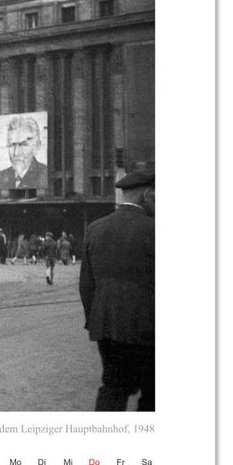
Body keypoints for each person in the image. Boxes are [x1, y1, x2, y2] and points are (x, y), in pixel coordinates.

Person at [79, 169, 155, 411]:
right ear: (148, 194)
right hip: (148, 328)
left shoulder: (95, 228)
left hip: (106, 326)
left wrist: (95, 319)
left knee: (113, 387)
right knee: (153, 394)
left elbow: (86, 285)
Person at [0, 115, 48, 190]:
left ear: (36, 146)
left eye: (23, 145)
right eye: (12, 145)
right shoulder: (2, 176)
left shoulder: (44, 174)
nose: (16, 153)